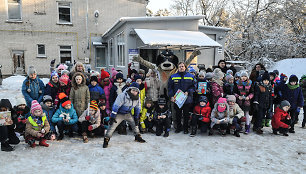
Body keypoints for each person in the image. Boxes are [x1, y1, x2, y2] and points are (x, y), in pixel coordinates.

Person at [168, 62, 196, 134]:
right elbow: (170, 88)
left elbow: (194, 86)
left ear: (185, 67)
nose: (181, 67)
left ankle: (185, 128)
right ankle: (178, 128)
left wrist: (188, 91)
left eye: (182, 66)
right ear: (178, 68)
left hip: (187, 99)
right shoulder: (173, 76)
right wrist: (171, 96)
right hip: (177, 99)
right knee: (178, 114)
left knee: (186, 115)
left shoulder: (191, 76)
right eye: (180, 66)